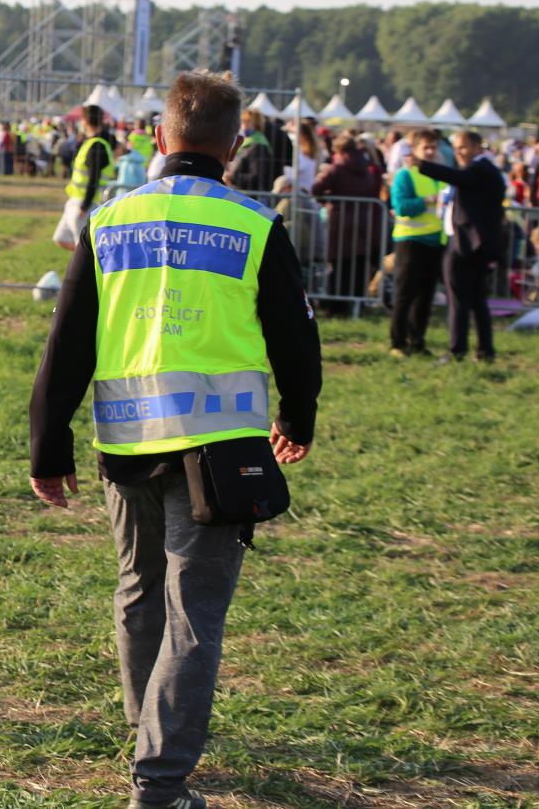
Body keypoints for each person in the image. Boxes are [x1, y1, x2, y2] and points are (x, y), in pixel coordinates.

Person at [30, 70, 320, 809]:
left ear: (159, 137)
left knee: (139, 589)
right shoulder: (254, 223)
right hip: (220, 447)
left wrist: (48, 444)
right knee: (194, 612)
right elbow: (295, 336)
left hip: (127, 441)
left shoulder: (110, 219)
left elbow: (67, 342)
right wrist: (297, 416)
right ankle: (159, 781)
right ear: (235, 144)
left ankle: (147, 735)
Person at [415, 130, 504, 363]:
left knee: (459, 300)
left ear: (477, 147)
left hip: (466, 244)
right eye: (455, 149)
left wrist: (421, 164)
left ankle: (458, 350)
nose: (458, 153)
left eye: (462, 147)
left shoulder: (480, 169)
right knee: (476, 300)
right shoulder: (485, 169)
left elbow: (455, 177)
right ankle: (484, 351)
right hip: (473, 243)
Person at [388, 129, 446, 357]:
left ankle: (417, 341)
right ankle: (397, 343)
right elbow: (402, 207)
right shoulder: (405, 175)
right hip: (410, 241)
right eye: (426, 147)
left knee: (425, 297)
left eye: (434, 147)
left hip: (434, 241)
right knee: (405, 294)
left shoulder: (439, 175)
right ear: (415, 149)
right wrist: (428, 200)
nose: (430, 152)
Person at [311, 133, 384, 311]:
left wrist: (328, 198)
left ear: (338, 150)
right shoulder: (365, 168)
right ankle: (357, 305)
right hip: (362, 219)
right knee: (357, 265)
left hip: (340, 221)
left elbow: (316, 188)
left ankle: (336, 306)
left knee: (339, 265)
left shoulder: (336, 168)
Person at [65, 103, 114, 233]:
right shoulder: (91, 142)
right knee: (61, 239)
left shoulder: (96, 146)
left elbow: (94, 179)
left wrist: (84, 206)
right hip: (76, 198)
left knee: (82, 243)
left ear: (86, 121)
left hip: (87, 202)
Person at [225, 110, 275, 193]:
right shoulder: (245, 143)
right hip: (239, 191)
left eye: (248, 122)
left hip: (251, 194)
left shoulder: (258, 145)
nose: (244, 125)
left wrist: (232, 177)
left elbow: (256, 177)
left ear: (256, 125)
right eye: (243, 121)